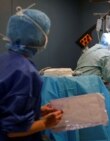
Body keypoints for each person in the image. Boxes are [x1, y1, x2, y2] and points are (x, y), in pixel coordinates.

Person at [0, 7, 63, 141]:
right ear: (38, 36)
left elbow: (6, 109)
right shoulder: (25, 72)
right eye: (46, 33)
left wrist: (37, 111)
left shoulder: (3, 60)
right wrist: (46, 123)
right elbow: (13, 130)